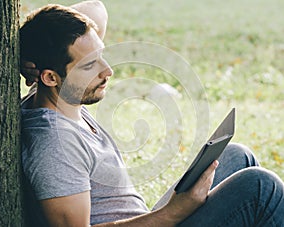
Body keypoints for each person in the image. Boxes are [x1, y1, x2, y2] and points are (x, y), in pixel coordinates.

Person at [20, 2, 284, 227]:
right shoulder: (55, 146)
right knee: (261, 187)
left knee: (237, 155)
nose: (108, 71)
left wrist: (22, 53)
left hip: (147, 219)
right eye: (90, 65)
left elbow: (95, 9)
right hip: (160, 220)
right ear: (51, 77)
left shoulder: (55, 94)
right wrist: (172, 212)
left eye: (101, 55)